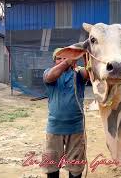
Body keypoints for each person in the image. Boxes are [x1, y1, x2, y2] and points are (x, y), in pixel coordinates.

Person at [42, 48, 89, 178]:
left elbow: (89, 74)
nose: (62, 60)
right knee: (51, 167)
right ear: (54, 61)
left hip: (75, 129)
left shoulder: (78, 74)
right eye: (59, 58)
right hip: (54, 128)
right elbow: (50, 77)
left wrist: (85, 56)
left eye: (66, 57)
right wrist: (68, 61)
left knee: (75, 168)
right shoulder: (49, 73)